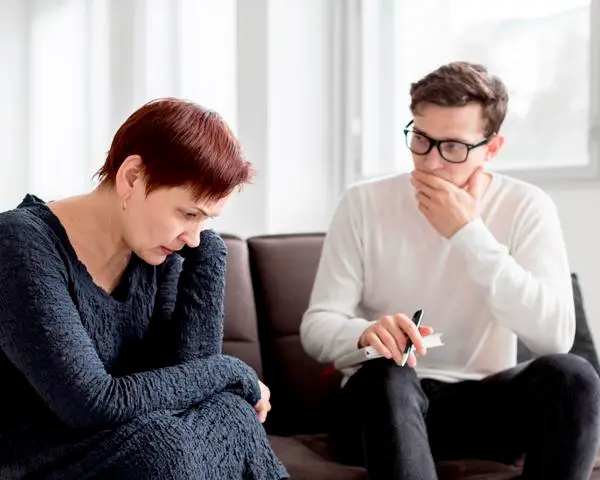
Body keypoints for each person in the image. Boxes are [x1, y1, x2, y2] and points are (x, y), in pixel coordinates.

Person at [300, 61, 600, 480]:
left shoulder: (528, 206)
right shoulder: (363, 203)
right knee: (389, 372)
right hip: (379, 411)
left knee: (574, 375)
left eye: (453, 147)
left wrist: (467, 232)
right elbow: (317, 326)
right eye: (420, 139)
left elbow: (553, 337)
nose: (431, 162)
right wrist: (364, 334)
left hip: (484, 410)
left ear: (492, 149)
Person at [0, 98, 289, 479]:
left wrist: (208, 256)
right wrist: (235, 372)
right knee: (162, 447)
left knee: (229, 414)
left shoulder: (164, 254)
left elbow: (195, 391)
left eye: (206, 219)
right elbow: (92, 403)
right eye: (188, 213)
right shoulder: (19, 243)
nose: (193, 236)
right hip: (38, 459)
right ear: (132, 177)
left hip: (138, 448)